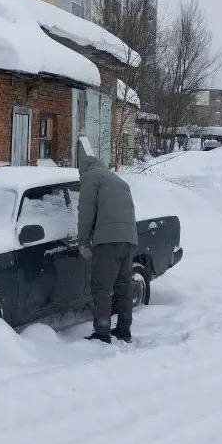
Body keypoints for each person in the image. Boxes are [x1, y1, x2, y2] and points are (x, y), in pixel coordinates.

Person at [77, 140, 138, 344]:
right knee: (123, 286)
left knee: (101, 287)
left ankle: (102, 332)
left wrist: (83, 242)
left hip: (108, 242)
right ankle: (124, 329)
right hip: (128, 240)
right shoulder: (119, 181)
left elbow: (85, 213)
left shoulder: (89, 178)